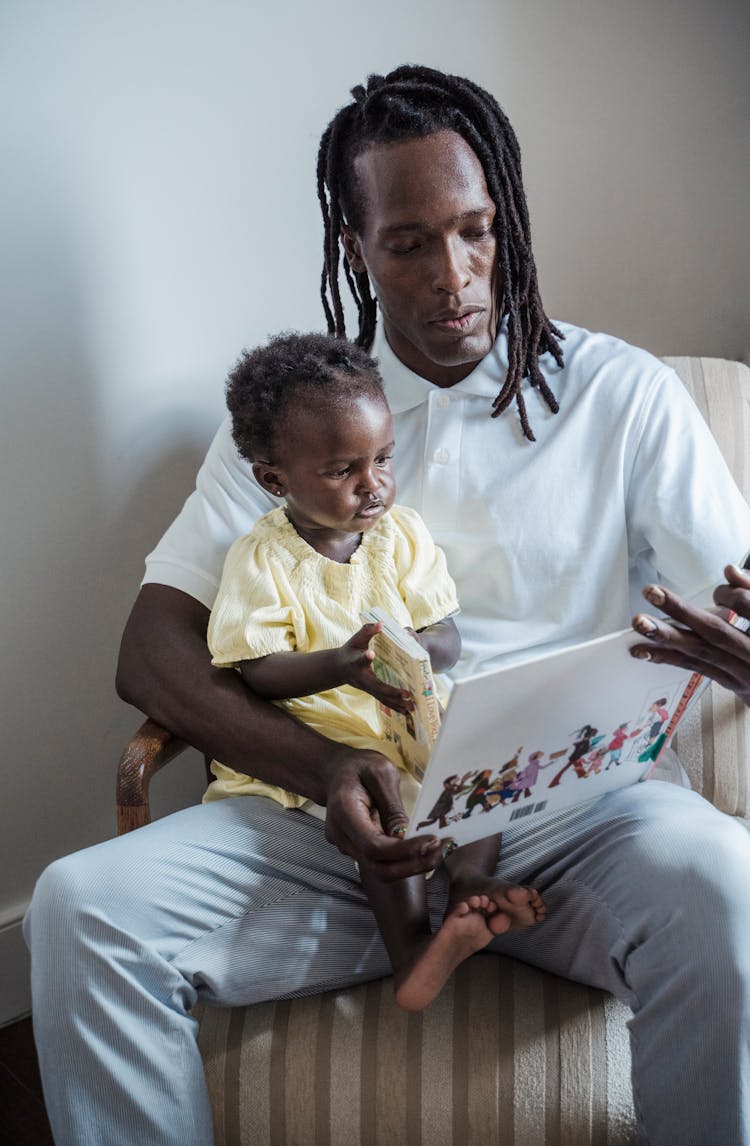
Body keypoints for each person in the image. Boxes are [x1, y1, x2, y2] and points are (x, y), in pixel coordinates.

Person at [24, 64, 750, 1145]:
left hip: (580, 821)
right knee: (80, 911)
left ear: (505, 223)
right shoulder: (298, 423)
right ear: (354, 244)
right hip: (345, 831)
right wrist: (325, 772)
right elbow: (152, 652)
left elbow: (726, 609)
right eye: (409, 243)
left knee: (725, 894)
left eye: (475, 231)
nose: (454, 276)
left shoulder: (624, 395)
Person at [205, 330, 546, 1012]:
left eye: (383, 459)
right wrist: (341, 664)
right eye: (342, 471)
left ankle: (473, 887)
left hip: (416, 718)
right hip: (339, 739)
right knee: (384, 817)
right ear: (276, 479)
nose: (374, 485)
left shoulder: (401, 534)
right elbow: (257, 671)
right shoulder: (262, 558)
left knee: (484, 775)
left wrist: (418, 651)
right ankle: (414, 954)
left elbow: (446, 632)